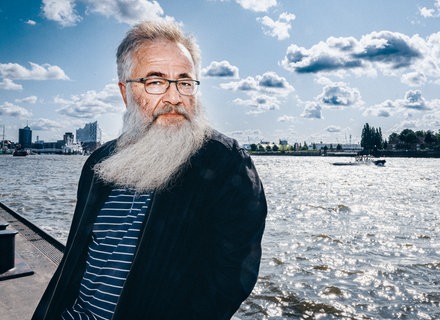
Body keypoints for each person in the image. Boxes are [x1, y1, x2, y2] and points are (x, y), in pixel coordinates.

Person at [33, 20, 267, 320]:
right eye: (155, 82)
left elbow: (231, 278)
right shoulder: (99, 164)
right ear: (124, 91)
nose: (174, 97)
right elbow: (77, 260)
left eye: (184, 81)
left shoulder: (225, 163)